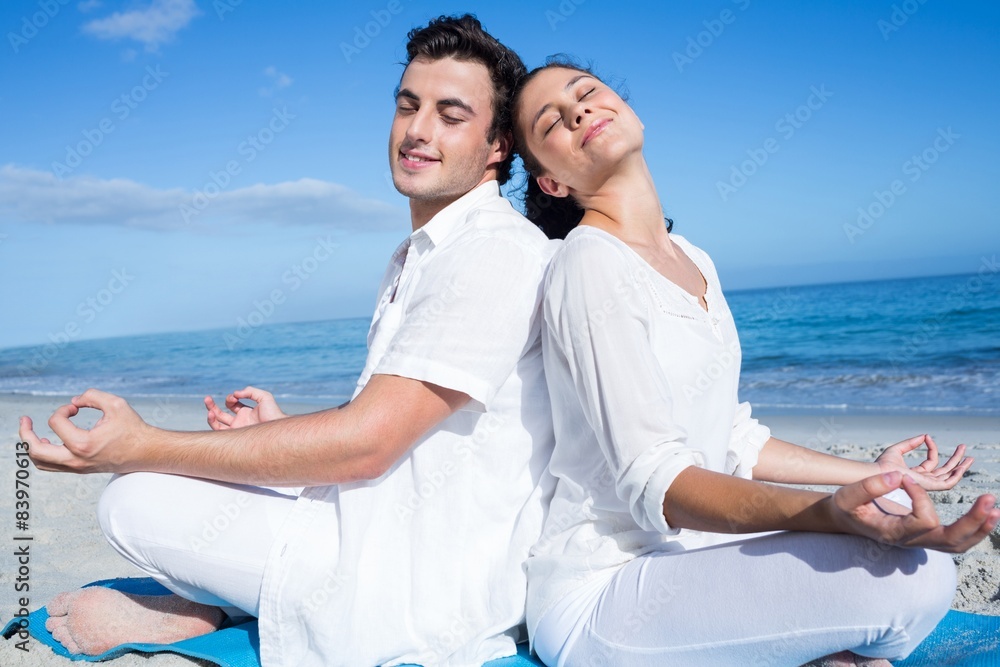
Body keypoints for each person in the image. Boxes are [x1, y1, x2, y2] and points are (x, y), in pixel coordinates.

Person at [18, 15, 557, 666]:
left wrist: (141, 444)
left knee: (132, 497)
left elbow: (367, 444)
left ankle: (214, 607)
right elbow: (393, 424)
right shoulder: (426, 251)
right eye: (408, 106)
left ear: (499, 145)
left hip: (420, 577)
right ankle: (225, 595)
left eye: (450, 115)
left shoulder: (492, 250)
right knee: (199, 473)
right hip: (380, 511)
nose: (416, 131)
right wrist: (283, 427)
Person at [511, 59, 999, 667]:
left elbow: (733, 438)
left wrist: (868, 477)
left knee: (898, 513)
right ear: (551, 182)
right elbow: (657, 482)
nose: (578, 110)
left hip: (690, 558)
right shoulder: (588, 264)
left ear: (629, 109)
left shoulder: (693, 258)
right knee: (914, 577)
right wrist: (827, 517)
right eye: (551, 122)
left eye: (585, 92)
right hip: (609, 589)